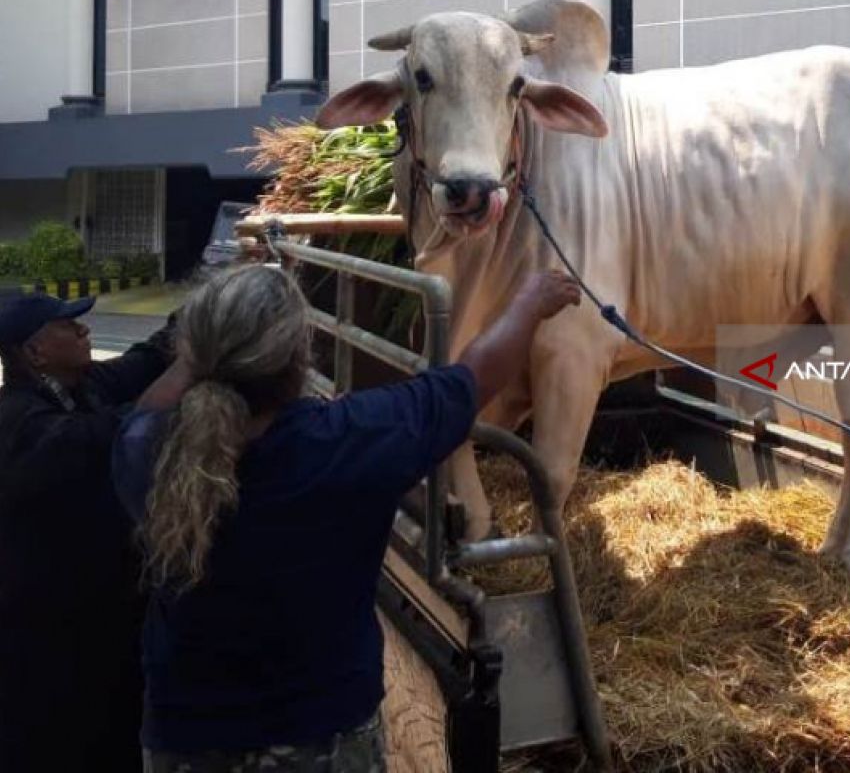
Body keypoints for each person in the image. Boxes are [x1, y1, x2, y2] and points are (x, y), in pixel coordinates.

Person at [111, 264, 581, 772]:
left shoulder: (149, 452)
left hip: (186, 736)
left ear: (194, 352)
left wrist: (205, 351)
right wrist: (530, 300)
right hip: (320, 735)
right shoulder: (348, 440)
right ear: (298, 359)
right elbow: (473, 378)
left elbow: (143, 415)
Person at [0, 292, 176, 772]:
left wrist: (211, 305)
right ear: (34, 353)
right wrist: (193, 366)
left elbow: (147, 359)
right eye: (69, 327)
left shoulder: (80, 387)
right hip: (49, 647)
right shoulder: (22, 424)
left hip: (101, 627)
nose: (84, 332)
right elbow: (124, 428)